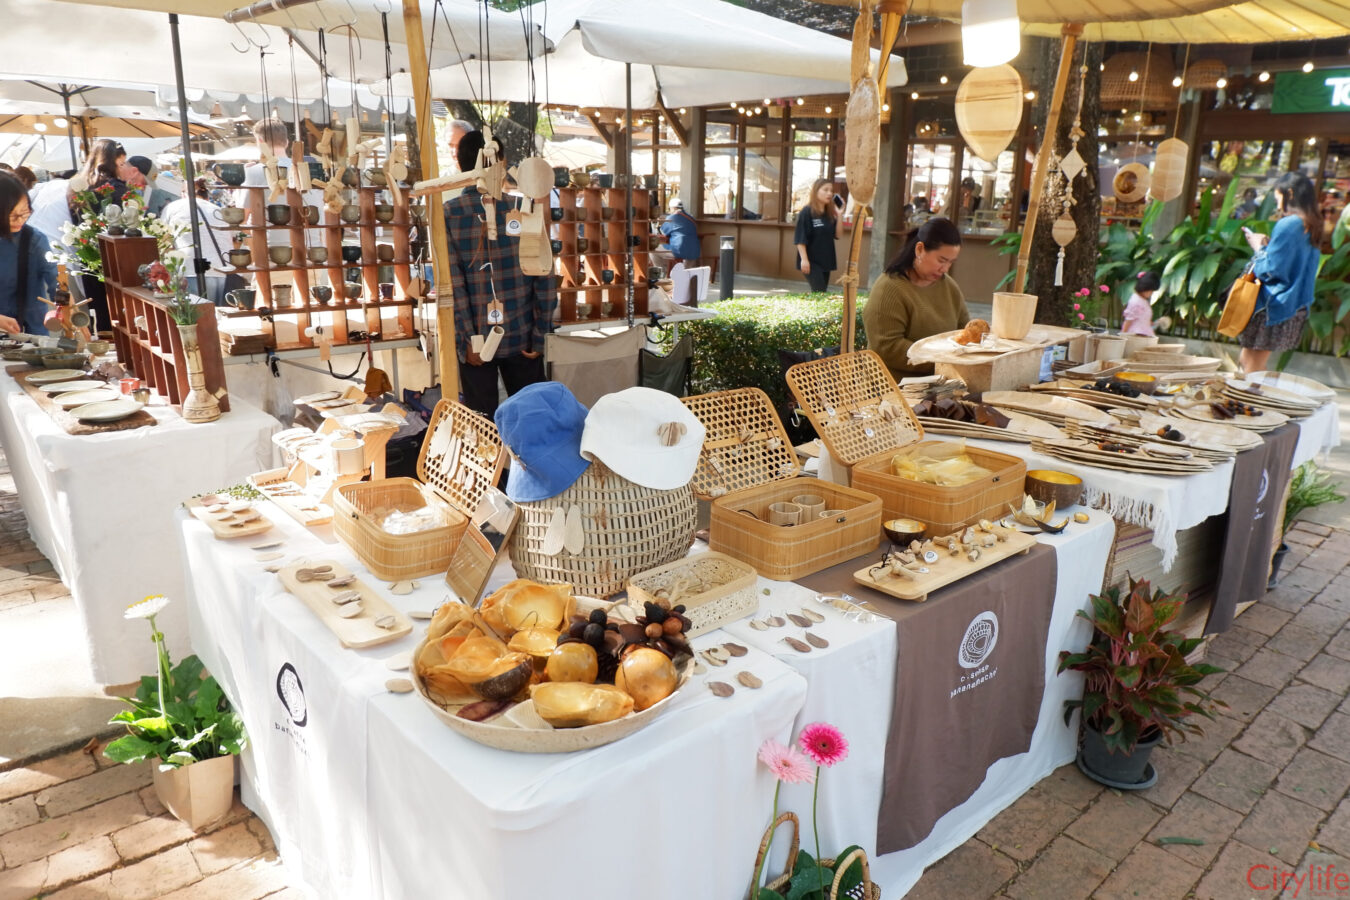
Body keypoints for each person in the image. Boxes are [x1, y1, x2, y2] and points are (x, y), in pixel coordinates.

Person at [444, 130, 555, 419]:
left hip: (477, 342)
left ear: (461, 166)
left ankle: (491, 454)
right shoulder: (524, 208)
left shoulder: (448, 214)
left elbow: (454, 285)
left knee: (482, 427)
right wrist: (539, 335)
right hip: (523, 337)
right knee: (532, 420)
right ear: (501, 162)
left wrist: (467, 341)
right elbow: (544, 277)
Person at [862, 217, 968, 382]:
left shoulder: (949, 286)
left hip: (941, 382)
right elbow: (887, 347)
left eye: (951, 262)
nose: (945, 269)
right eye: (941, 260)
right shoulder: (889, 288)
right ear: (919, 250)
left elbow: (964, 331)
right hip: (892, 387)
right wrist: (940, 360)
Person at [1238, 172, 1322, 374]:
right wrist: (1269, 247)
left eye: (1278, 199)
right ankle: (1256, 393)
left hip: (1273, 305)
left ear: (1289, 193)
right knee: (1252, 363)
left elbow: (1271, 269)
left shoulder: (1290, 224)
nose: (1277, 206)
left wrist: (1259, 247)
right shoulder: (1313, 225)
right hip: (1293, 305)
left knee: (1250, 365)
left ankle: (1254, 395)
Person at [71, 139, 130, 331]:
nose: (123, 168)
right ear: (112, 162)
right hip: (114, 258)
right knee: (119, 315)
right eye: (121, 164)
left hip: (88, 257)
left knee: (99, 314)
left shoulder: (81, 186)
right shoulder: (115, 188)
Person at [0, 173, 60, 336]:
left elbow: (56, 280)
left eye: (25, 212)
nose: (20, 220)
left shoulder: (34, 240)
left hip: (31, 334)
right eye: (13, 215)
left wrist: (69, 310)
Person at [161, 177, 234, 304]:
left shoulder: (173, 207)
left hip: (192, 270)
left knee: (198, 314)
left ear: (183, 193)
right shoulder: (217, 210)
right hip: (224, 270)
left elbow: (163, 242)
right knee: (219, 314)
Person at [793, 178, 839, 293]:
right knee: (819, 291)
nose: (829, 193)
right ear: (816, 191)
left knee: (821, 293)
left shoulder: (829, 213)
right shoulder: (807, 212)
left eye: (831, 191)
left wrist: (840, 215)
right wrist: (804, 260)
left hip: (826, 260)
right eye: (826, 190)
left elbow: (838, 234)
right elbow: (800, 238)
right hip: (811, 261)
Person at [1121, 271, 1168, 337]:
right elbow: (1128, 321)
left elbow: (1143, 320)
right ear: (1145, 288)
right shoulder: (1136, 301)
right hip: (1136, 337)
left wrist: (1156, 322)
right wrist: (1122, 336)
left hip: (1144, 336)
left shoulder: (1143, 300)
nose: (1151, 293)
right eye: (1151, 290)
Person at [658, 198, 699, 266]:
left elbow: (662, 233)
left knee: (652, 249)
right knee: (686, 272)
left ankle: (661, 271)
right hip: (695, 253)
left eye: (669, 209)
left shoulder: (672, 218)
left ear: (673, 208)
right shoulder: (691, 218)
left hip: (679, 252)